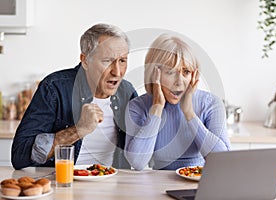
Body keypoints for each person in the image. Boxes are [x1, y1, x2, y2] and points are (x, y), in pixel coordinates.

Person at [11, 23, 137, 170]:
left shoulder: (127, 92)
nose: (117, 72)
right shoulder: (54, 88)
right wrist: (78, 130)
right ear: (85, 60)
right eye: (107, 61)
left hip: (113, 184)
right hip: (63, 183)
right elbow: (20, 155)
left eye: (122, 61)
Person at [124, 33, 231, 170]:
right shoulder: (138, 106)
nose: (179, 82)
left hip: (200, 183)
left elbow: (223, 160)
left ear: (194, 75)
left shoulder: (211, 104)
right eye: (170, 72)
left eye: (186, 72)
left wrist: (189, 113)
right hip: (158, 184)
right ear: (154, 74)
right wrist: (156, 108)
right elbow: (137, 162)